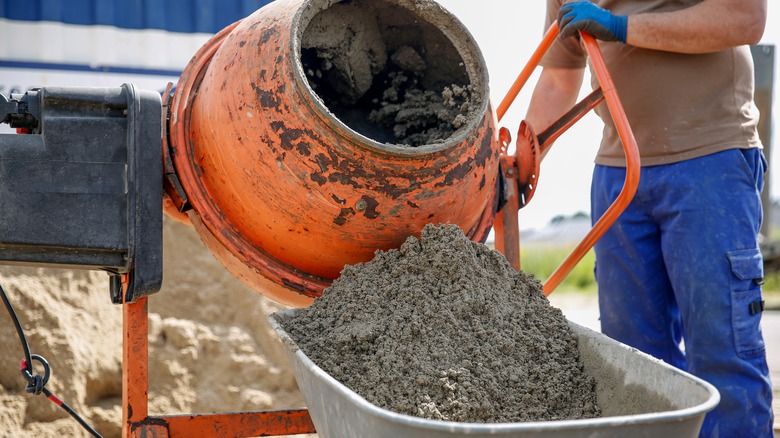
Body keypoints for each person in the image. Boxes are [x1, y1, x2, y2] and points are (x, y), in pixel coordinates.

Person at [525, 1, 774, 436]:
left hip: (709, 160)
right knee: (634, 361)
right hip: (619, 171)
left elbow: (744, 17)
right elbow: (559, 76)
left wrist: (621, 27)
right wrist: (520, 156)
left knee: (721, 349)